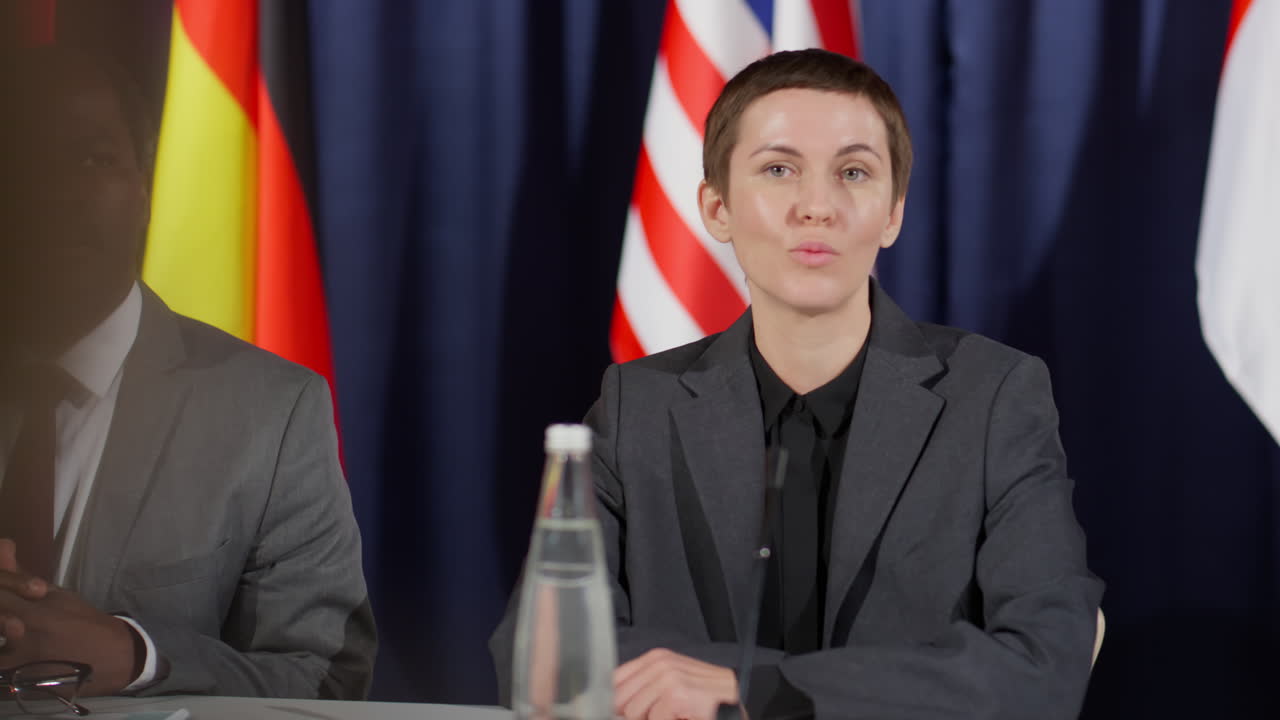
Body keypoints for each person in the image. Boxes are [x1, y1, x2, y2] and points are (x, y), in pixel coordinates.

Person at [492, 49, 1103, 719]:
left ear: (893, 213)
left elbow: (1047, 663)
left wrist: (756, 690)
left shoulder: (994, 397)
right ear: (716, 208)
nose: (817, 206)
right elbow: (544, 651)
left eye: (854, 172)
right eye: (779, 170)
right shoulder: (637, 405)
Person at [0, 45, 376, 699]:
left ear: (147, 187)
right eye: (25, 161)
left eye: (93, 158)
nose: (57, 191)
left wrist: (136, 655)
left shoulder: (271, 411)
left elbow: (329, 680)